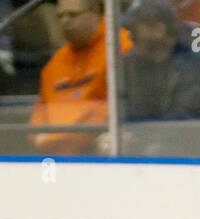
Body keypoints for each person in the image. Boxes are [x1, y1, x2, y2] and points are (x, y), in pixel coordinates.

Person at [29, 0, 133, 155]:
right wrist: (39, 136)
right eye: (60, 16)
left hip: (102, 150)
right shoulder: (55, 63)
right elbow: (39, 116)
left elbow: (127, 105)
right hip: (58, 155)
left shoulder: (122, 45)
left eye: (73, 14)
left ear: (95, 15)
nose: (65, 21)